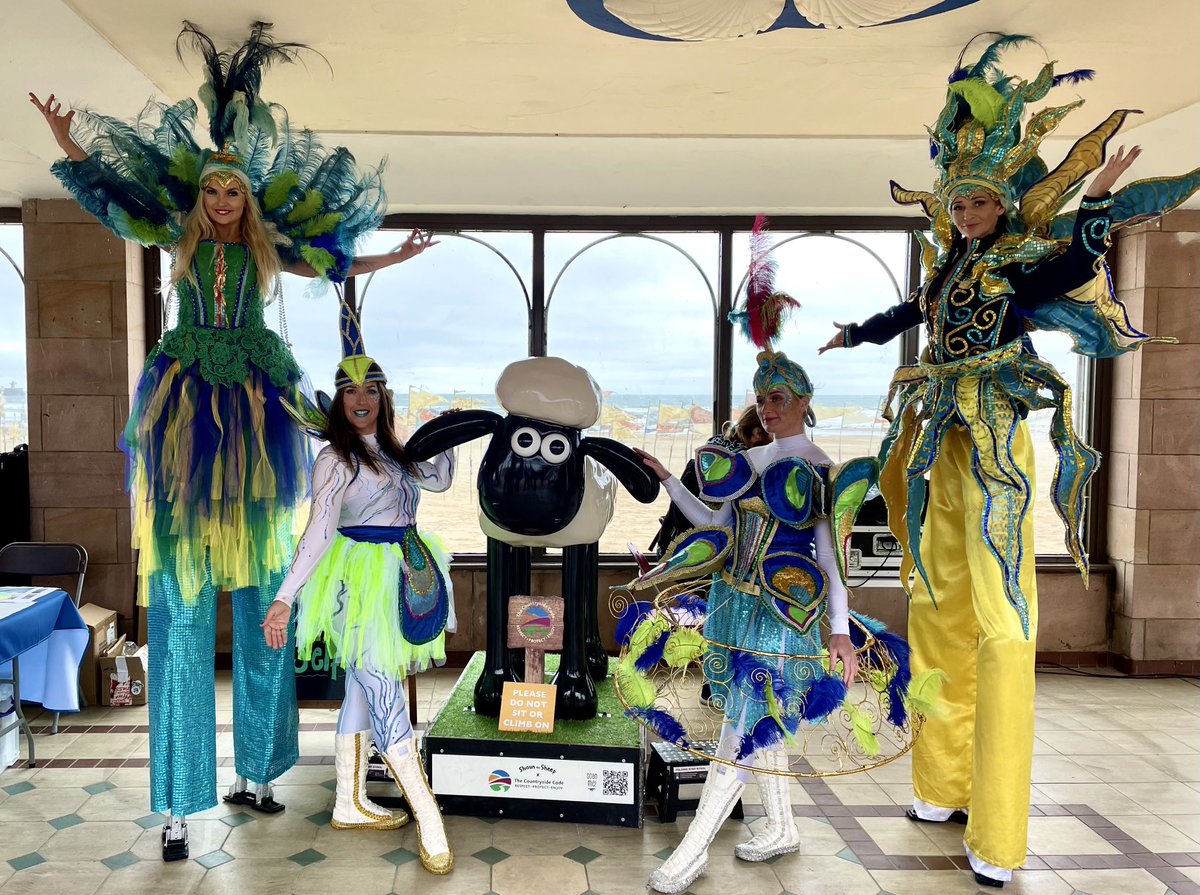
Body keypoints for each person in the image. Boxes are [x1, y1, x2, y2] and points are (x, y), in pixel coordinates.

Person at [30, 22, 435, 861]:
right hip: (187, 426)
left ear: (247, 201)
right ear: (199, 198)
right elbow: (111, 203)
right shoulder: (174, 239)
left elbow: (334, 263)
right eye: (213, 192)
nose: (222, 204)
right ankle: (177, 804)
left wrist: (393, 257)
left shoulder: (264, 253)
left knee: (260, 609)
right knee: (178, 612)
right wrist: (67, 144)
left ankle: (258, 770)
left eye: (234, 194)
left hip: (253, 426)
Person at [818, 34, 1200, 888]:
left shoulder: (1013, 270)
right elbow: (903, 312)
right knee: (936, 598)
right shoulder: (948, 265)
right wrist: (855, 333)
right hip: (936, 436)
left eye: (981, 202)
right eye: (959, 203)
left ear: (1000, 205)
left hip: (990, 435)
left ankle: (996, 825)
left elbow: (1072, 260)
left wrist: (1096, 197)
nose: (968, 212)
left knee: (999, 616)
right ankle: (943, 780)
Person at [632, 350, 878, 894]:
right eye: (761, 398)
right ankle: (783, 828)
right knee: (755, 712)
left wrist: (839, 627)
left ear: (804, 402)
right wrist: (672, 482)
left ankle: (691, 854)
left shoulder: (817, 470)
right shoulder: (752, 460)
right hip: (732, 603)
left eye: (779, 399)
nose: (767, 409)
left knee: (739, 726)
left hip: (778, 613)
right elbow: (715, 525)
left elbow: (832, 556)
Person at [263, 297, 455, 874]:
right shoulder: (335, 459)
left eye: (371, 389)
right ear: (339, 400)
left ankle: (348, 801)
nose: (361, 398)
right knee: (384, 691)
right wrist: (284, 598)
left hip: (402, 567)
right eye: (350, 390)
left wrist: (443, 433)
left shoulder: (394, 450)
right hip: (356, 581)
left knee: (361, 690)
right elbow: (317, 532)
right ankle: (429, 815)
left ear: (383, 397)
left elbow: (439, 480)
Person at [650, 405, 769, 555]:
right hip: (702, 550)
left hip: (672, 539)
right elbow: (722, 525)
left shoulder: (714, 450)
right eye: (772, 436)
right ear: (757, 433)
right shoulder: (742, 465)